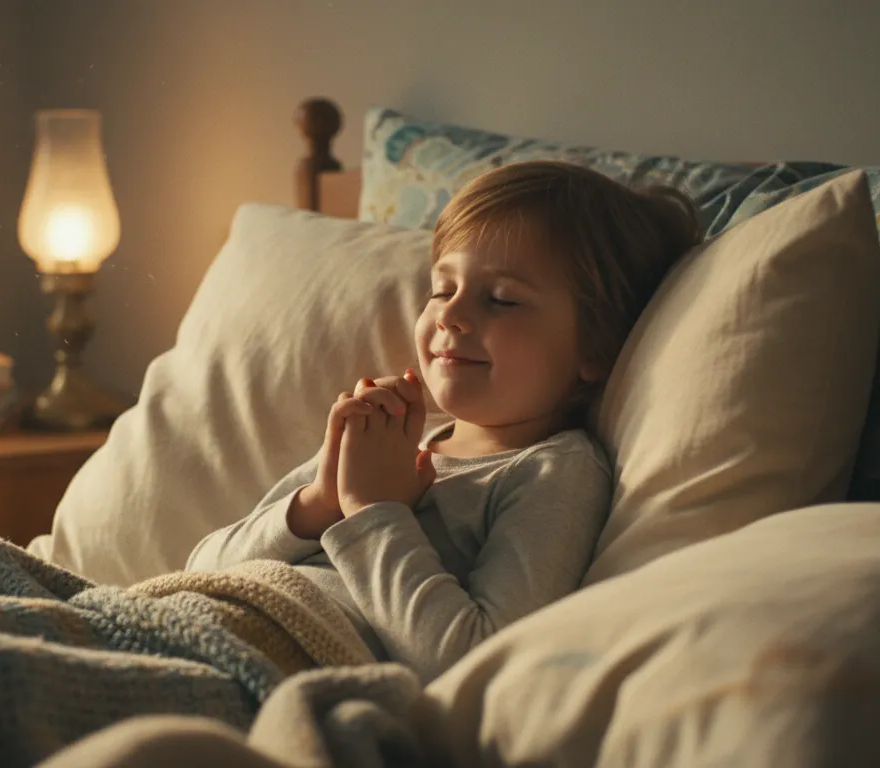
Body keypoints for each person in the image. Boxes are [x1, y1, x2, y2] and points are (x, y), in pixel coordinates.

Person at [187, 160, 703, 682]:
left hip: (273, 659)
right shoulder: (388, 441)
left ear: (597, 347)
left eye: (501, 299)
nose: (451, 315)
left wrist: (373, 510)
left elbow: (472, 660)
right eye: (441, 289)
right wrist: (320, 499)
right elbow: (199, 570)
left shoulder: (553, 473)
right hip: (202, 618)